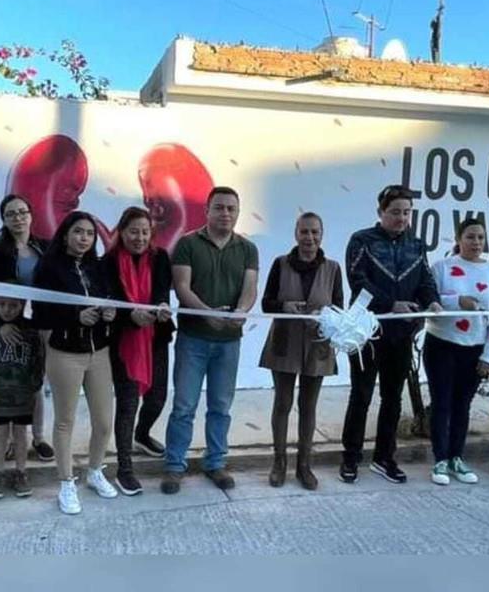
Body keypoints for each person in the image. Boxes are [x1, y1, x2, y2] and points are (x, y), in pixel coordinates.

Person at [339, 184, 442, 485]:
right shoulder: (361, 241)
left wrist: (433, 300)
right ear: (380, 212)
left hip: (401, 335)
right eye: (395, 212)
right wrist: (391, 304)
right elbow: (358, 282)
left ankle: (384, 457)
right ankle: (351, 456)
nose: (401, 218)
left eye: (406, 212)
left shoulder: (417, 245)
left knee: (392, 398)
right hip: (367, 332)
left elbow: (425, 279)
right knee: (361, 395)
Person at [162, 187, 260, 494]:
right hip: (193, 339)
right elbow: (181, 287)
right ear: (207, 210)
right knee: (184, 406)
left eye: (232, 208)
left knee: (221, 406)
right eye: (219, 208)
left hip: (229, 342)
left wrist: (241, 312)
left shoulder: (247, 249)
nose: (225, 214)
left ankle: (215, 463)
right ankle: (174, 466)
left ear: (238, 212)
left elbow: (250, 287)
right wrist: (207, 314)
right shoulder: (188, 244)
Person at [32, 210, 119, 514]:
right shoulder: (49, 267)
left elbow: (111, 299)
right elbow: (40, 313)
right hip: (65, 352)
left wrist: (110, 313)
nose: (84, 238)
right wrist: (74, 317)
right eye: (78, 232)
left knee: (104, 420)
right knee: (65, 421)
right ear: (65, 234)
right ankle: (66, 483)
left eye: (89, 233)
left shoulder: (98, 266)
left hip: (100, 352)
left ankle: (95, 471)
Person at [258, 212, 343, 490]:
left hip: (317, 346)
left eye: (315, 232)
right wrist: (284, 307)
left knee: (309, 406)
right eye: (304, 232)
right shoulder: (280, 264)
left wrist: (326, 313)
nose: (310, 238)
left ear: (322, 234)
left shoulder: (333, 268)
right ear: (296, 233)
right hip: (284, 343)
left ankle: (304, 465)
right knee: (283, 403)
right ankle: (279, 462)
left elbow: (340, 309)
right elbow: (266, 303)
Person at [424, 217, 489, 486]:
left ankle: (456, 457)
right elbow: (430, 302)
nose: (476, 242)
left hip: (475, 348)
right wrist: (456, 301)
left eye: (481, 238)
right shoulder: (442, 268)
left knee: (462, 405)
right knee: (442, 403)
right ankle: (439, 459)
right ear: (458, 238)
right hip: (441, 344)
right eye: (470, 237)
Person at [103, 207, 174, 496]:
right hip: (124, 340)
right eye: (134, 231)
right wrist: (131, 316)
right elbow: (110, 300)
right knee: (128, 403)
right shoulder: (107, 262)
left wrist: (160, 309)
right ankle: (124, 469)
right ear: (122, 231)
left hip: (155, 337)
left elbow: (161, 292)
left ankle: (142, 435)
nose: (140, 237)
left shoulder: (160, 258)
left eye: (145, 232)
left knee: (158, 397)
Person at [0, 193, 55, 463]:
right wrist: (0, 325)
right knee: (9, 383)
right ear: (3, 219)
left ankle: (38, 437)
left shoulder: (45, 247)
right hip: (10, 326)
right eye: (11, 213)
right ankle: (8, 440)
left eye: (22, 212)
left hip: (40, 323)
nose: (18, 218)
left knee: (36, 382)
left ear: (31, 215)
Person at [0, 292, 44, 501]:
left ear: (23, 304)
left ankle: (20, 472)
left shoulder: (31, 331)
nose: (7, 309)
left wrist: (33, 384)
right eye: (2, 304)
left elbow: (39, 360)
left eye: (13, 305)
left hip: (23, 393)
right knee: (0, 432)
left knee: (21, 432)